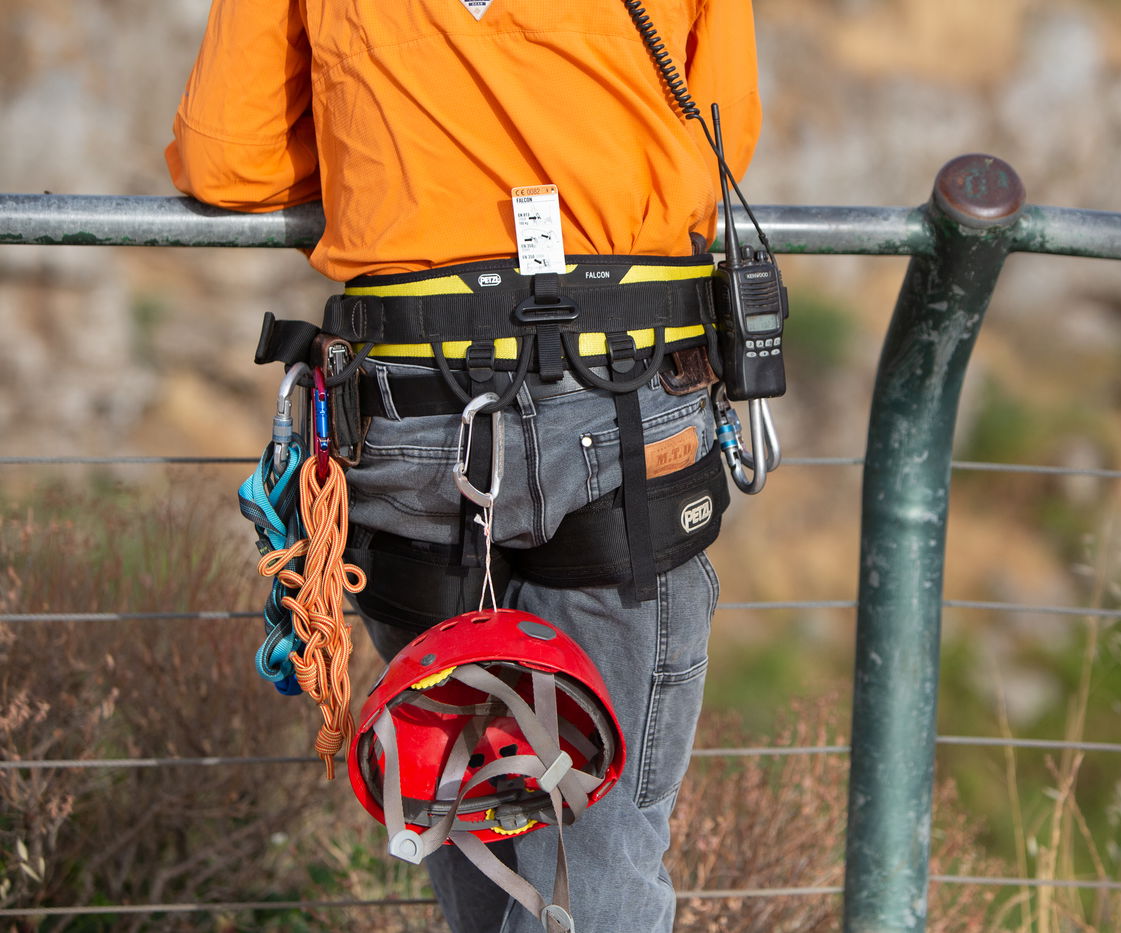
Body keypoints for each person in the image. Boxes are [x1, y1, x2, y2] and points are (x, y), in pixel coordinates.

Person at [166, 2, 762, 931]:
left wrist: (405, 170)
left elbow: (227, 160)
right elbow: (720, 131)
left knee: (468, 820)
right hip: (626, 391)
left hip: (414, 416)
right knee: (604, 842)